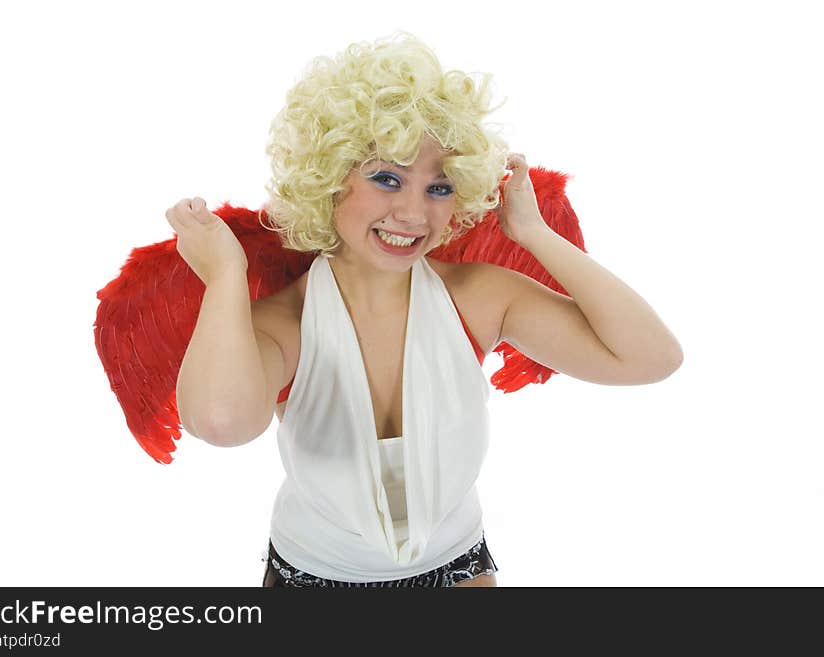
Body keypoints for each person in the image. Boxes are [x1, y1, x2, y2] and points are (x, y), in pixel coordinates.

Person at [163, 32, 683, 588]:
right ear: (329, 178)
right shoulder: (285, 325)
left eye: (440, 188)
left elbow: (651, 358)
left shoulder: (478, 299)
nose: (414, 213)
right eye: (388, 178)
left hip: (455, 567)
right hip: (314, 575)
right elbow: (220, 423)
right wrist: (224, 276)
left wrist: (533, 233)